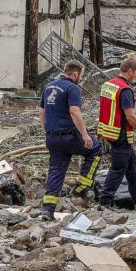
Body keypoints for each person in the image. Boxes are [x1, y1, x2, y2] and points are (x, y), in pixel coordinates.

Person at [38, 60, 99, 217]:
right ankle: (81, 188)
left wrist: (47, 130)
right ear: (76, 74)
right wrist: (85, 135)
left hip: (52, 138)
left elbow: (42, 111)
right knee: (96, 148)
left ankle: (48, 209)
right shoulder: (72, 88)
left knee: (56, 171)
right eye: (82, 75)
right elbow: (74, 111)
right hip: (69, 137)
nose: (81, 78)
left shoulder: (49, 86)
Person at [95, 56, 136, 208]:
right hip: (120, 134)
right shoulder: (125, 89)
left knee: (131, 165)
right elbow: (130, 116)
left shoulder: (109, 84)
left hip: (108, 131)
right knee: (118, 168)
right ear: (130, 71)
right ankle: (104, 202)